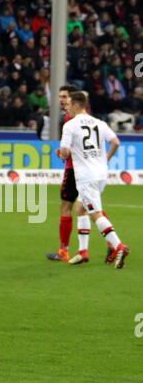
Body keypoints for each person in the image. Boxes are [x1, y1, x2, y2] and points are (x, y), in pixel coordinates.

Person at [59, 91, 129, 269]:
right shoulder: (100, 123)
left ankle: (118, 245)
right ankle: (83, 252)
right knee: (80, 208)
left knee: (95, 212)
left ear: (76, 105)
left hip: (86, 176)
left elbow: (65, 152)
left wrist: (62, 154)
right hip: (101, 173)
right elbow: (116, 142)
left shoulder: (71, 125)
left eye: (69, 105)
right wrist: (106, 158)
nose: (67, 109)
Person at [46, 84, 91, 262]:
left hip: (74, 169)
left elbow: (73, 148)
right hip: (88, 169)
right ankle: (113, 244)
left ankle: (64, 250)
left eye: (65, 97)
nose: (61, 100)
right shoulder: (86, 119)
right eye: (60, 97)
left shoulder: (70, 120)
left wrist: (64, 152)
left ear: (74, 100)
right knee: (92, 206)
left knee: (66, 206)